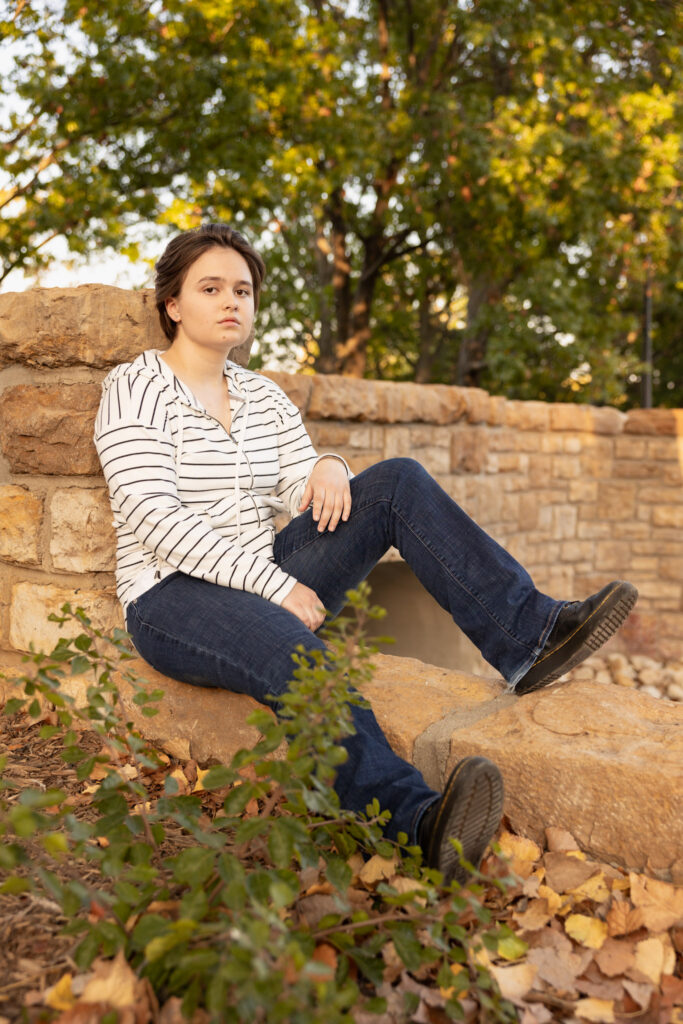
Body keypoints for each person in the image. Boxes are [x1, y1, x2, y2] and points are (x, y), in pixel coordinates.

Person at [94, 224, 638, 886]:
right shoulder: (137, 386)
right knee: (292, 653)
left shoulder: (261, 394)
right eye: (210, 288)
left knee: (397, 482)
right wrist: (269, 585)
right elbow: (152, 516)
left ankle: (528, 636)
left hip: (262, 573)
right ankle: (413, 825)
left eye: (242, 289)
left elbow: (302, 477)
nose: (230, 300)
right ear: (173, 303)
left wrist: (326, 463)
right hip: (170, 596)